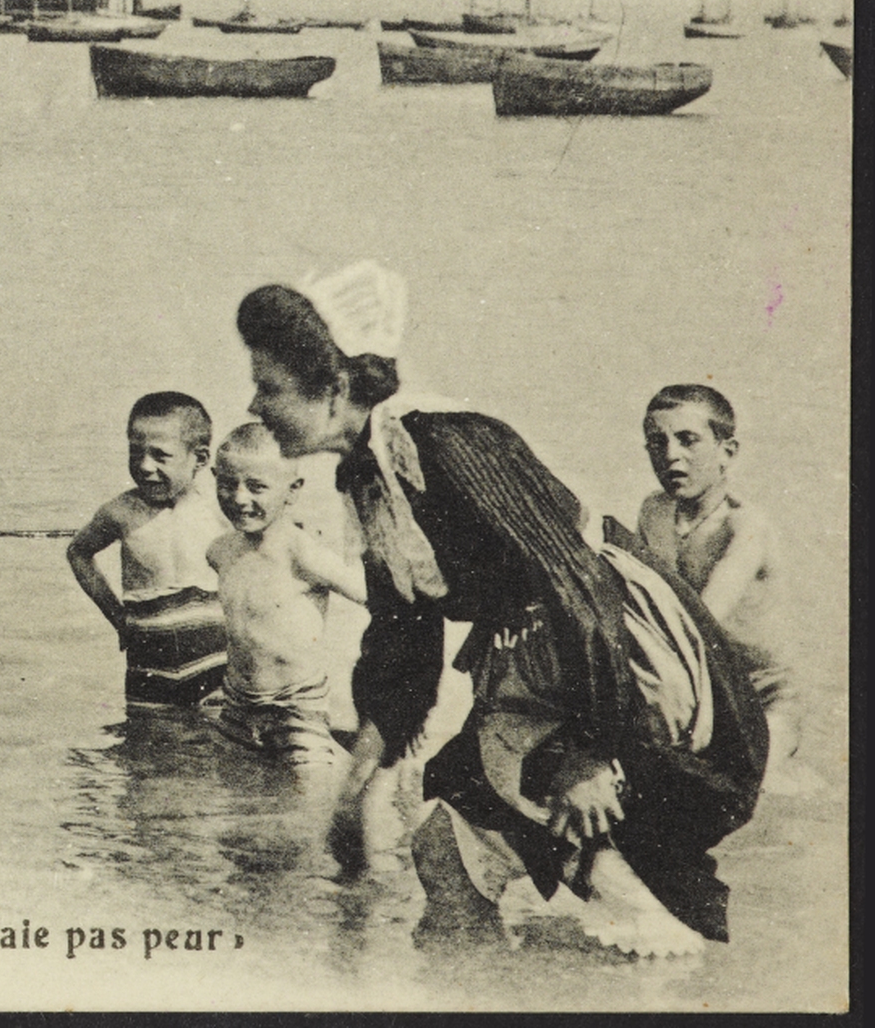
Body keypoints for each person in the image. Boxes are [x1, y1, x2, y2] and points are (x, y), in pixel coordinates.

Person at [239, 262, 766, 956]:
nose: (254, 404)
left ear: (334, 387)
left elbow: (574, 580)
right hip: (548, 669)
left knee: (520, 773)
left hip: (632, 668)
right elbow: (403, 640)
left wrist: (586, 754)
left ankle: (652, 945)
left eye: (269, 385)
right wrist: (360, 780)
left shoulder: (445, 440)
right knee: (444, 850)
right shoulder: (370, 475)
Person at [634, 384, 801, 787]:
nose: (671, 454)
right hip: (695, 689)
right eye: (658, 442)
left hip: (762, 701)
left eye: (688, 440)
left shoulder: (746, 527)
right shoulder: (654, 512)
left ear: (728, 452)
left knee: (748, 789)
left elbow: (698, 622)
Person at [205, 422, 367, 771]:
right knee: (235, 796)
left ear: (292, 491)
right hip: (236, 707)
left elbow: (368, 595)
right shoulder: (219, 551)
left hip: (296, 707)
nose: (239, 498)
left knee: (308, 801)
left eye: (257, 487)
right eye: (227, 483)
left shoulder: (300, 551)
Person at [65, 393, 231, 708]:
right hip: (148, 668)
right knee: (144, 747)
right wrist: (117, 617)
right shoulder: (121, 512)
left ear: (200, 458)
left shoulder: (218, 510)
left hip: (215, 662)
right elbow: (78, 553)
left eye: (160, 455)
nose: (144, 466)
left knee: (213, 746)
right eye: (135, 452)